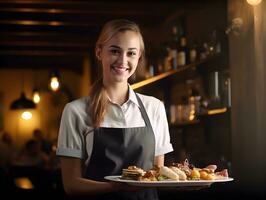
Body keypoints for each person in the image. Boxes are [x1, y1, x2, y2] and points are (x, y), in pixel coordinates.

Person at [56, 19, 173, 200]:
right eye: (114, 51)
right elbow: (71, 184)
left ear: (139, 57)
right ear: (99, 52)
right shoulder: (75, 111)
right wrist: (115, 187)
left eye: (131, 53)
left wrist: (188, 182)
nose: (122, 60)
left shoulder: (154, 108)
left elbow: (157, 175)